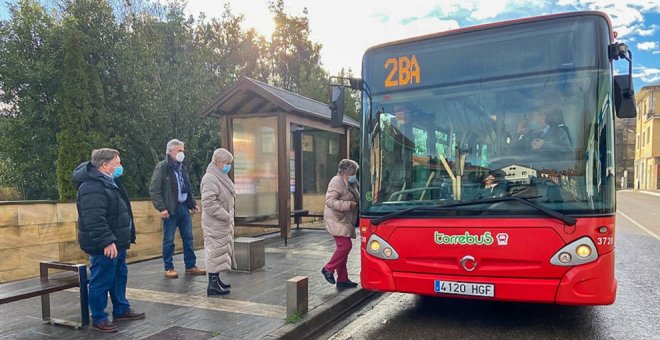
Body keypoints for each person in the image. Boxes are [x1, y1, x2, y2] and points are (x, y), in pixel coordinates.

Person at [73, 148, 145, 333]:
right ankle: (99, 317)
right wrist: (106, 241)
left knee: (119, 276)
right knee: (101, 279)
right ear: (104, 165)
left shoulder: (110, 181)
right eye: (117, 163)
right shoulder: (92, 186)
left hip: (117, 241)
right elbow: (94, 219)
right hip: (104, 244)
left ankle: (121, 308)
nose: (120, 166)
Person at [149, 139, 205, 278]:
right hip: (170, 210)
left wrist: (192, 204)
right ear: (170, 151)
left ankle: (190, 265)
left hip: (183, 208)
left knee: (189, 238)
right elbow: (154, 190)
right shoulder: (162, 167)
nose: (182, 153)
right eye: (179, 150)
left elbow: (187, 187)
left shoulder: (182, 167)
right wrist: (161, 208)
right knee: (168, 240)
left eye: (182, 150)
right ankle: (169, 267)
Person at [200, 148, 236, 296]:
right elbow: (208, 203)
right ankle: (212, 284)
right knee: (214, 251)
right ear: (219, 162)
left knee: (219, 252)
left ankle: (216, 280)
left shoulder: (220, 176)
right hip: (215, 223)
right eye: (227, 163)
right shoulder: (210, 178)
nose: (229, 166)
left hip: (221, 223)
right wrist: (226, 216)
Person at [321, 159, 360, 289]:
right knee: (345, 246)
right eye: (353, 172)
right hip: (336, 219)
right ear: (346, 172)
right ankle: (328, 269)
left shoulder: (350, 182)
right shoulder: (336, 181)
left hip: (344, 220)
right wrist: (349, 205)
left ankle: (342, 279)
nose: (355, 174)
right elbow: (330, 201)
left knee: (342, 249)